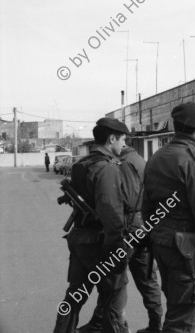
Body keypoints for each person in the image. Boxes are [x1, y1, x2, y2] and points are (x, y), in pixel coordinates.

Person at [142, 102, 195, 333]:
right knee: (183, 316)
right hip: (184, 247)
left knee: (175, 305)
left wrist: (153, 236)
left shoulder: (157, 157)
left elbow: (147, 206)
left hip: (162, 243)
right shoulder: (193, 160)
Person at [53, 118, 130, 333]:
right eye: (122, 139)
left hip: (79, 239)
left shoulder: (81, 165)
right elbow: (111, 212)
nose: (124, 145)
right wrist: (117, 250)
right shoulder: (107, 169)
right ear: (111, 138)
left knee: (74, 296)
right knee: (113, 298)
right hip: (99, 241)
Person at [78, 141, 163, 333]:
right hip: (143, 226)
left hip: (128, 226)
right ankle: (156, 323)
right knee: (147, 278)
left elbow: (120, 199)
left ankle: (106, 323)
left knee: (114, 279)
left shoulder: (121, 164)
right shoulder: (141, 161)